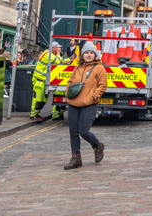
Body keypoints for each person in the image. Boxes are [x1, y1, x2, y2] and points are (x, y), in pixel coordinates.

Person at [63, 41, 107, 170]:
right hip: (74, 103)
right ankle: (76, 158)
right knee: (73, 132)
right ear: (82, 55)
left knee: (83, 131)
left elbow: (102, 86)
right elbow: (70, 81)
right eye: (86, 53)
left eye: (91, 53)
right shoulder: (78, 67)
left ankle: (97, 145)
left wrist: (93, 96)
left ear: (95, 55)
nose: (88, 55)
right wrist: (67, 93)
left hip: (89, 104)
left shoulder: (99, 68)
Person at [30, 41, 66, 122]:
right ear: (53, 48)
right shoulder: (47, 54)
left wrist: (65, 60)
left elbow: (59, 60)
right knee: (38, 98)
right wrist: (59, 54)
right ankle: (33, 115)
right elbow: (57, 61)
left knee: (43, 99)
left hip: (44, 80)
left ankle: (36, 113)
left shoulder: (50, 54)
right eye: (58, 48)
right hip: (39, 79)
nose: (59, 49)